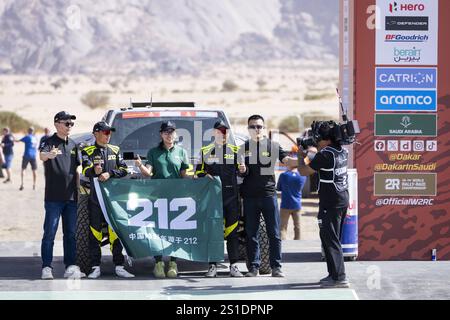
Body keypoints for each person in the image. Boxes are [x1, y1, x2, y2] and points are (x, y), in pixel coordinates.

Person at [240, 114, 298, 277]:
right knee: (251, 233)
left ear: (264, 128)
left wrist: (304, 158)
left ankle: (276, 267)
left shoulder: (273, 146)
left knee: (274, 233)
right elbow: (239, 172)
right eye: (253, 126)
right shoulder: (242, 148)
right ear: (248, 129)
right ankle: (253, 268)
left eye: (259, 126)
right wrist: (241, 170)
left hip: (268, 195)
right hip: (250, 197)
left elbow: (287, 161)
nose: (256, 129)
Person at [298, 121, 350, 288]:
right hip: (341, 200)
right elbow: (317, 162)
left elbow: (303, 171)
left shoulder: (326, 154)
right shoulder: (342, 151)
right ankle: (333, 274)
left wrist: (301, 154)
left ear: (325, 139)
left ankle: (340, 277)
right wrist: (311, 152)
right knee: (331, 238)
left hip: (331, 203)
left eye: (317, 137)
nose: (315, 140)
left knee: (330, 239)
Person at [135, 120, 190, 278]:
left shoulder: (181, 152)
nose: (169, 135)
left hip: (176, 197)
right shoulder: (153, 152)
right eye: (166, 132)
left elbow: (184, 175)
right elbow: (148, 174)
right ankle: (158, 263)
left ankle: (173, 263)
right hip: (157, 197)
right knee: (158, 230)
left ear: (175, 134)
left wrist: (201, 178)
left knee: (175, 229)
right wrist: (140, 165)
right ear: (161, 134)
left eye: (171, 132)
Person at [81, 121, 135, 279]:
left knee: (114, 233)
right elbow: (85, 169)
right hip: (96, 200)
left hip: (114, 201)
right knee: (95, 234)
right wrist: (94, 170)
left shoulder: (115, 149)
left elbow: (124, 169)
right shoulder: (88, 150)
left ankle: (119, 266)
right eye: (105, 132)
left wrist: (109, 173)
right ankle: (95, 267)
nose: (108, 135)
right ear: (96, 134)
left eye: (109, 132)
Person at [195, 120, 247, 278]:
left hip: (231, 198)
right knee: (213, 233)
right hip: (213, 199)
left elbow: (243, 172)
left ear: (228, 133)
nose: (222, 134)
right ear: (214, 133)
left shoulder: (236, 150)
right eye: (219, 131)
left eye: (225, 131)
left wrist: (244, 169)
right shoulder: (205, 150)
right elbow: (197, 173)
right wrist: (204, 175)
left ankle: (234, 265)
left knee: (232, 232)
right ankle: (212, 266)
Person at [39, 111, 84, 279]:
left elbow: (77, 170)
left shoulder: (73, 144)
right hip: (53, 198)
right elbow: (42, 156)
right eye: (67, 123)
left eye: (71, 124)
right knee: (49, 233)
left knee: (71, 233)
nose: (69, 126)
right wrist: (49, 155)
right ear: (57, 123)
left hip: (71, 197)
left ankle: (71, 265)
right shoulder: (48, 142)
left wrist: (79, 191)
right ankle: (46, 267)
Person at [276, 153, 307, 240]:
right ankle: (298, 243)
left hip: (285, 204)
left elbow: (278, 188)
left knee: (283, 227)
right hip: (297, 204)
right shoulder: (303, 176)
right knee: (297, 226)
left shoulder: (284, 175)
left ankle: (283, 245)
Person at [16, 127, 38, 191]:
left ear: (28, 131)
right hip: (33, 155)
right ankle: (34, 185)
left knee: (23, 169)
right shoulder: (35, 138)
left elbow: (18, 141)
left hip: (26, 155)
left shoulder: (27, 137)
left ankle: (22, 184)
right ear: (33, 131)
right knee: (34, 170)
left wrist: (13, 138)